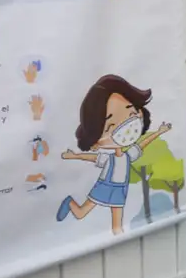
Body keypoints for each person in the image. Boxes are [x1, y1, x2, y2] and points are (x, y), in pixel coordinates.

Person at [57, 75, 172, 235]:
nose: (124, 127)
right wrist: (74, 156)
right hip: (104, 187)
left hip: (120, 190)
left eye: (130, 114)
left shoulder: (128, 155)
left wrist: (159, 132)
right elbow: (93, 158)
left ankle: (120, 239)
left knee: (117, 226)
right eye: (110, 126)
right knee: (81, 213)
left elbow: (141, 145)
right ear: (96, 140)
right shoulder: (107, 157)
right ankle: (70, 203)